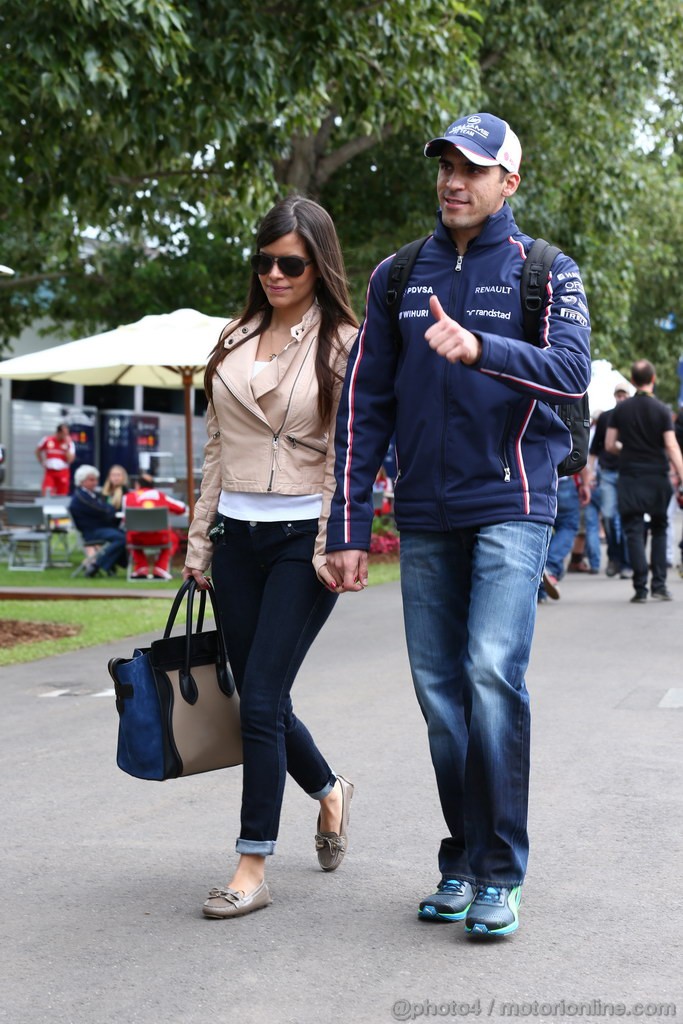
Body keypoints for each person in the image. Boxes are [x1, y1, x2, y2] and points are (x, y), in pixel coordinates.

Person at [325, 112, 591, 937]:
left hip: (513, 503)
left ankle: (500, 873)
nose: (453, 180)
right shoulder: (398, 275)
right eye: (445, 165)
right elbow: (364, 405)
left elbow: (573, 371)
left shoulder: (544, 270)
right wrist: (346, 522)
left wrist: (482, 350)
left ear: (508, 182)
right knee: (440, 699)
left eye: (473, 168)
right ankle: (464, 859)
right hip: (425, 516)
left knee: (487, 674)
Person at [182, 195, 359, 920]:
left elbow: (352, 452)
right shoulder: (231, 337)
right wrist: (198, 541)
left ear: (318, 265)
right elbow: (220, 448)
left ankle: (252, 861)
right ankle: (329, 790)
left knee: (257, 699)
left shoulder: (344, 341)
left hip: (300, 539)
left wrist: (330, 540)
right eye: (265, 262)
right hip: (236, 538)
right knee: (261, 692)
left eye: (291, 263)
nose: (276, 274)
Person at [606, 359, 683, 602]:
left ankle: (640, 588)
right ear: (653, 379)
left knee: (633, 529)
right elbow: (670, 445)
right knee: (660, 528)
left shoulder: (621, 409)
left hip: (630, 475)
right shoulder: (661, 409)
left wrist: (627, 451)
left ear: (633, 379)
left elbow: (610, 445)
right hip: (657, 475)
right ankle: (659, 585)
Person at [588, 385, 632, 578]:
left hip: (627, 473)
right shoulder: (606, 417)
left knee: (624, 519)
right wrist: (589, 472)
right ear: (615, 396)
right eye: (619, 395)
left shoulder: (632, 416)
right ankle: (614, 557)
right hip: (607, 472)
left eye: (624, 395)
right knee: (607, 516)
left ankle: (625, 562)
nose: (621, 398)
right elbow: (594, 449)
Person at [123, 472, 186, 579]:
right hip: (160, 538)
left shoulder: (127, 497)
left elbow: (125, 518)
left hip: (136, 538)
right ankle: (160, 568)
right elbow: (181, 508)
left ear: (137, 485)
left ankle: (141, 568)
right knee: (173, 538)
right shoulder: (160, 496)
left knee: (129, 535)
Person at [541, 469, 592, 600]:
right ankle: (550, 567)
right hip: (562, 482)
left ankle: (540, 588)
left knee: (541, 529)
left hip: (533, 484)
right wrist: (585, 484)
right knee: (568, 526)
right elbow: (579, 456)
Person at [69, 465, 128, 577]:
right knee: (122, 538)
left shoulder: (91, 495)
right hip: (92, 531)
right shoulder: (81, 497)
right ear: (82, 481)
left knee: (125, 535)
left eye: (96, 479)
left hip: (99, 528)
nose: (95, 482)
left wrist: (109, 510)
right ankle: (97, 564)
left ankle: (111, 564)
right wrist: (110, 510)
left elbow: (106, 508)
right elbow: (103, 510)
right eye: (91, 480)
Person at [35, 422, 75, 496]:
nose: (66, 436)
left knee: (62, 494)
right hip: (50, 472)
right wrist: (41, 461)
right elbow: (37, 451)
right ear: (59, 432)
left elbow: (70, 460)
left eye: (67, 434)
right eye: (64, 434)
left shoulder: (70, 444)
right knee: (47, 492)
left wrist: (66, 447)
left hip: (63, 472)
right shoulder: (47, 440)